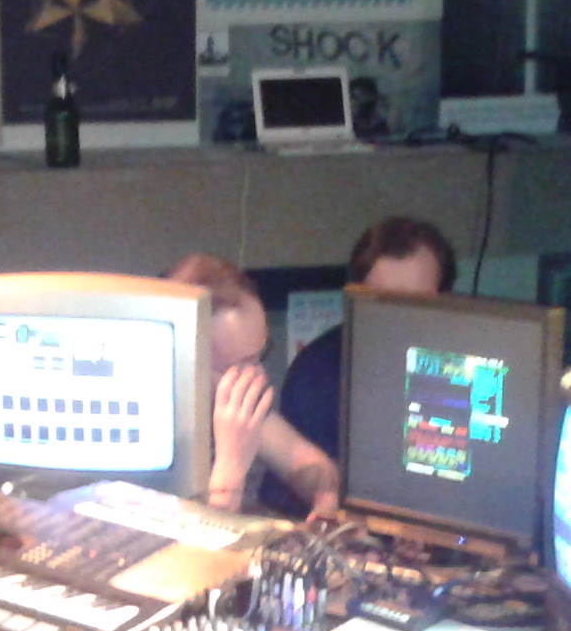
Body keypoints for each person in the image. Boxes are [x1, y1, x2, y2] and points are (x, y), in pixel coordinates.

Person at [267, 216, 458, 516]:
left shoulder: (470, 373)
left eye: (417, 304)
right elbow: (289, 508)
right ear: (353, 300)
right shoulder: (316, 373)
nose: (399, 320)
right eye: (383, 303)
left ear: (446, 302)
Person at [165, 254, 340, 520]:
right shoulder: (148, 429)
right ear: (186, 363)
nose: (259, 375)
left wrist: (325, 495)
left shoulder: (242, 406)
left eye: (260, 356)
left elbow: (307, 463)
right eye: (240, 364)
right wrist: (230, 464)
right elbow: (194, 539)